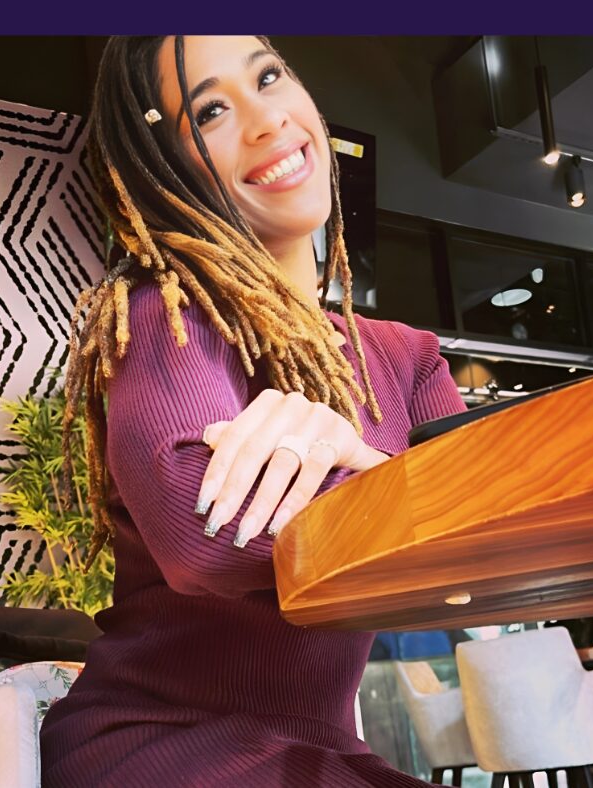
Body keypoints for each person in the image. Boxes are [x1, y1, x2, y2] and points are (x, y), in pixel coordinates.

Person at [39, 35, 467, 787]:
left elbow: (484, 543)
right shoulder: (168, 313)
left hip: (317, 749)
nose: (267, 119)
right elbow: (205, 537)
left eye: (268, 77)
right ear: (165, 168)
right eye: (209, 112)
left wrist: (363, 464)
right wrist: (396, 496)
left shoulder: (409, 356)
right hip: (165, 742)